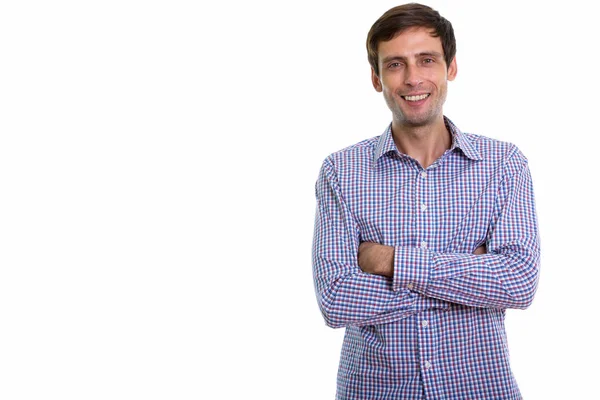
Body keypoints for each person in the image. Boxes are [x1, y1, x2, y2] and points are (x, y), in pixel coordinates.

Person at [312, 3, 540, 399]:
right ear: (376, 78)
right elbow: (336, 299)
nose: (413, 78)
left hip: (480, 389)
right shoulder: (341, 171)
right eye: (396, 64)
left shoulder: (503, 165)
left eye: (427, 60)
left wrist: (389, 261)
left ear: (450, 68)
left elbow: (518, 282)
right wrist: (470, 278)